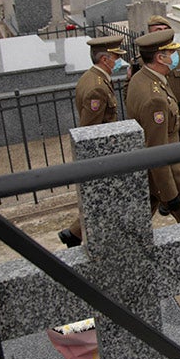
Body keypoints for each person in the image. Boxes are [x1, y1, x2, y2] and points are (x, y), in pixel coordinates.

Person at [59, 35, 128, 247]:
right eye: (116, 57)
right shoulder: (97, 87)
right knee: (104, 197)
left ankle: (75, 232)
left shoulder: (92, 78)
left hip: (105, 152)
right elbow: (91, 128)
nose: (118, 62)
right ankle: (74, 233)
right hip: (102, 153)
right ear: (105, 60)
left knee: (104, 198)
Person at [125, 30, 180, 222]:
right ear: (160, 57)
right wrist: (169, 193)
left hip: (153, 174)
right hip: (171, 176)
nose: (176, 57)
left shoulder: (142, 78)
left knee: (135, 222)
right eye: (171, 53)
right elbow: (157, 149)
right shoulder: (154, 98)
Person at [146, 15, 180, 141]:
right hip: (157, 120)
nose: (163, 33)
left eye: (166, 29)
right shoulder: (143, 61)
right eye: (158, 30)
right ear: (149, 33)